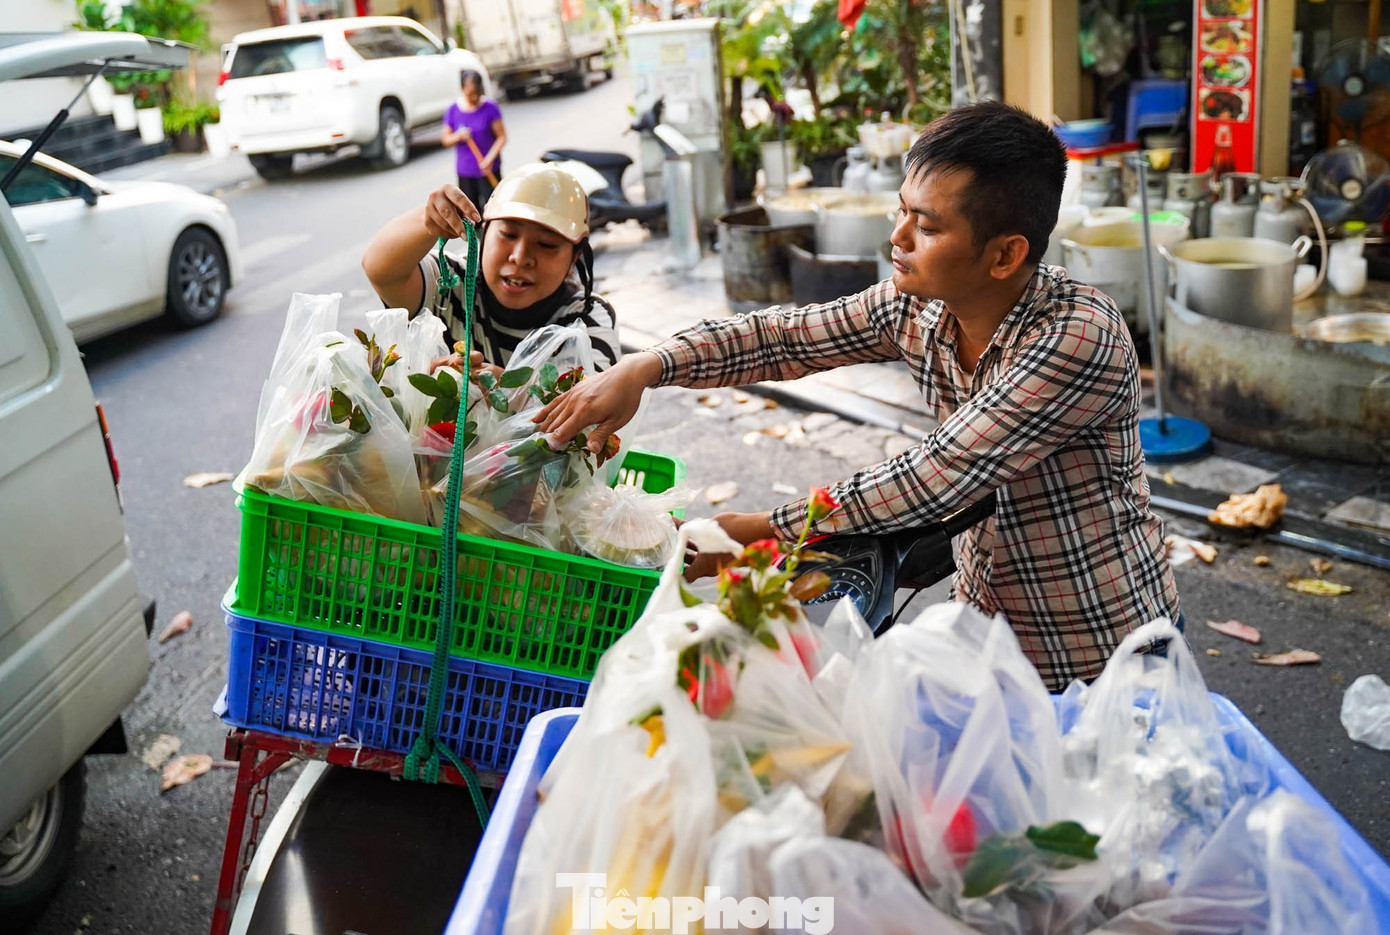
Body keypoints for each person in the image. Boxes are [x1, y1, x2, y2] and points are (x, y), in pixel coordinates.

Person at [535, 101, 1182, 690]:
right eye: (902, 210)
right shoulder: (918, 307)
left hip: (1105, 647)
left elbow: (937, 475)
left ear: (1005, 254)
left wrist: (760, 533)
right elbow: (783, 337)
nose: (897, 238)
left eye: (925, 226)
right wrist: (649, 364)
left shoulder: (1077, 336)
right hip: (990, 630)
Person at [361, 163, 619, 371]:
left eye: (546, 244)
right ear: (483, 234)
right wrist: (427, 221)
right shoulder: (450, 285)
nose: (520, 257)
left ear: (573, 260)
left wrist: (499, 390)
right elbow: (381, 270)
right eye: (507, 234)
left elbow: (583, 413)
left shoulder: (585, 319)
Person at [443, 70, 506, 210]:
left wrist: (489, 160)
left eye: (477, 92)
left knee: (494, 209)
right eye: (470, 93)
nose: (474, 97)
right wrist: (459, 136)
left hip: (489, 168)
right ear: (462, 89)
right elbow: (446, 139)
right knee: (471, 212)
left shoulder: (490, 107)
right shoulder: (453, 110)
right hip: (466, 171)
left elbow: (502, 137)